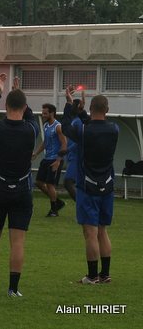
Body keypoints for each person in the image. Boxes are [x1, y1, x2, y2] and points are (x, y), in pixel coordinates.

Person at [0, 74, 39, 297]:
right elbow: (29, 115)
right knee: (18, 242)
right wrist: (18, 92)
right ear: (23, 107)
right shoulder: (32, 130)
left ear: (6, 105)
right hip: (22, 191)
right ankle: (13, 289)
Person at [62, 87, 119, 284]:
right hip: (107, 185)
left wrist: (70, 104)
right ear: (107, 109)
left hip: (88, 186)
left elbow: (67, 127)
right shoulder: (114, 129)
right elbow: (92, 124)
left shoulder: (83, 131)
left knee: (90, 232)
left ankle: (92, 275)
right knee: (103, 231)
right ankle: (105, 274)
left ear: (91, 107)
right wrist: (82, 112)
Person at [33, 103, 68, 217]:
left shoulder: (58, 126)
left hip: (55, 159)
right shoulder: (46, 125)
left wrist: (58, 160)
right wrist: (36, 153)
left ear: (52, 113)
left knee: (50, 184)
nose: (43, 115)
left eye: (45, 113)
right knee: (38, 182)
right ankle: (57, 202)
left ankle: (54, 210)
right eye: (42, 113)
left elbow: (64, 144)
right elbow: (45, 142)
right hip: (46, 158)